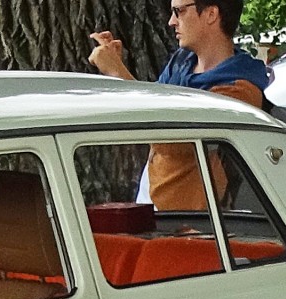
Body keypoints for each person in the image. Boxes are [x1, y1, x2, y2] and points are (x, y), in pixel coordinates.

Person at [90, 0, 271, 209]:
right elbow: (152, 109)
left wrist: (116, 73)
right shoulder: (182, 62)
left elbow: (171, 136)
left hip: (195, 222)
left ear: (211, 14)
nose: (171, 21)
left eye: (179, 11)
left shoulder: (239, 87)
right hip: (155, 199)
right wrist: (119, 70)